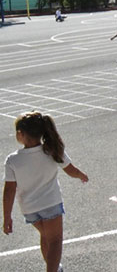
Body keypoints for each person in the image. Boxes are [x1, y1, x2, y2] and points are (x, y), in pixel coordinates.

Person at [3, 112, 89, 272]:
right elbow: (70, 170)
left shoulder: (12, 160)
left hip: (29, 210)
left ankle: (55, 267)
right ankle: (53, 269)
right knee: (55, 240)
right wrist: (81, 175)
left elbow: (9, 191)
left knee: (46, 236)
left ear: (20, 134)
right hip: (51, 204)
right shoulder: (52, 150)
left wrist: (7, 217)